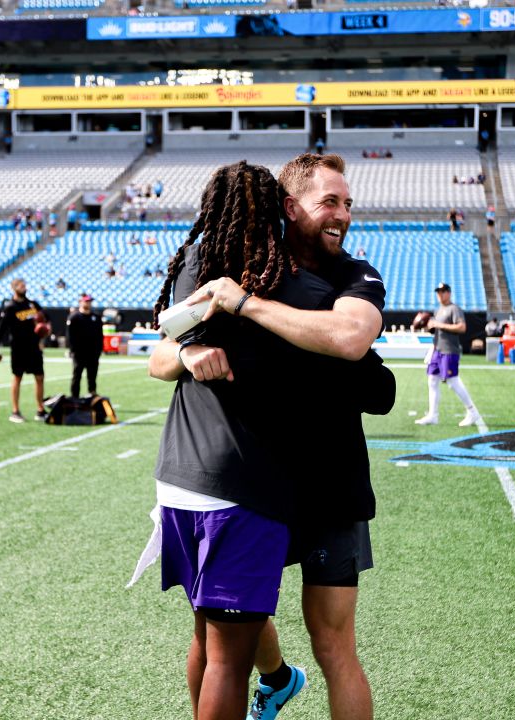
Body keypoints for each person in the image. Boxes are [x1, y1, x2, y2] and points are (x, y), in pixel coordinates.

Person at [181, 153, 391, 720]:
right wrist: (187, 349)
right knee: (225, 628)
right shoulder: (240, 261)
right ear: (290, 205)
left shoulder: (355, 274)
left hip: (330, 484)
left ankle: (277, 679)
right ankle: (276, 679)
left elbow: (350, 338)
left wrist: (249, 307)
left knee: (334, 647)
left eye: (348, 204)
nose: (343, 215)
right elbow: (161, 346)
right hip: (254, 485)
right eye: (330, 202)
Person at [415, 282, 480, 428]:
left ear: (449, 293)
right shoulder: (438, 310)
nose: (440, 294)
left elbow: (462, 327)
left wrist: (439, 325)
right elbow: (438, 330)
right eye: (438, 291)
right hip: (437, 349)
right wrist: (429, 327)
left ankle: (472, 411)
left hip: (449, 351)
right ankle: (433, 415)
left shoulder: (454, 309)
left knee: (452, 382)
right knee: (432, 380)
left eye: (443, 291)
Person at [0, 278, 47, 423]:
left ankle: (40, 409)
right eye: (21, 286)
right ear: (14, 288)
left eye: (25, 285)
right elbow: (0, 329)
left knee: (39, 377)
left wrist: (44, 327)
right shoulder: (11, 307)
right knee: (17, 377)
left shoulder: (32, 304)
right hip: (19, 347)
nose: (24, 288)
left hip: (33, 346)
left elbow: (44, 319)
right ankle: (15, 411)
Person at [66, 294, 103, 397]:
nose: (88, 303)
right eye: (86, 301)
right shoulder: (74, 317)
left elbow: (100, 335)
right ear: (80, 302)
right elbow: (70, 336)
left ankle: (92, 394)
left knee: (92, 376)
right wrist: (72, 350)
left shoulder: (96, 317)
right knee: (77, 375)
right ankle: (75, 397)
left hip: (93, 353)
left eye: (89, 301)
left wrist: (99, 350)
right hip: (79, 353)